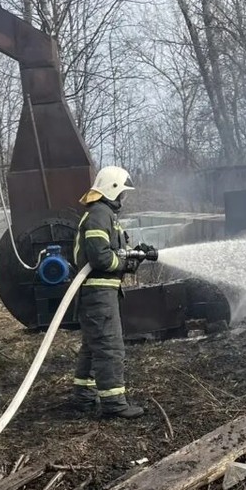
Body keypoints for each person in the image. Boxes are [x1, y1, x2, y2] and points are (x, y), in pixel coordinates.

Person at [70, 166, 153, 419]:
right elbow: (101, 257)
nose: (124, 199)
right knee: (109, 348)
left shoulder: (104, 215)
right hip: (99, 296)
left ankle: (84, 397)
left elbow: (118, 253)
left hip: (99, 295)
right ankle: (114, 404)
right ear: (113, 189)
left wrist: (137, 254)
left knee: (93, 347)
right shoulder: (99, 215)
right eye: (122, 193)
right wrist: (125, 263)